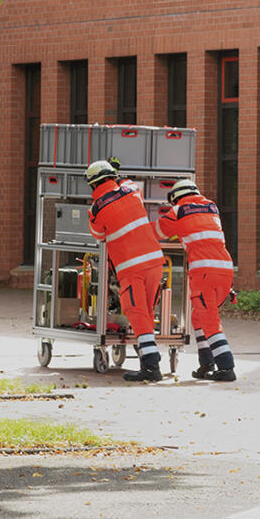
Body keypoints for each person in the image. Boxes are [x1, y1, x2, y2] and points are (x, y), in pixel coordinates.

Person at [86, 160, 167, 382]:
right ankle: (149, 361)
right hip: (155, 262)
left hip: (131, 268)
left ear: (93, 185)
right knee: (148, 312)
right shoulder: (132, 189)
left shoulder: (95, 209)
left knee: (136, 312)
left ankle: (151, 367)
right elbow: (128, 185)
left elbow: (99, 235)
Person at [156, 179, 238, 381]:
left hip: (203, 271)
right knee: (199, 316)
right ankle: (206, 363)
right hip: (225, 269)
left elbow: (159, 232)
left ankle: (226, 367)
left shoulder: (178, 210)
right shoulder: (211, 207)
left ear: (175, 197)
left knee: (209, 319)